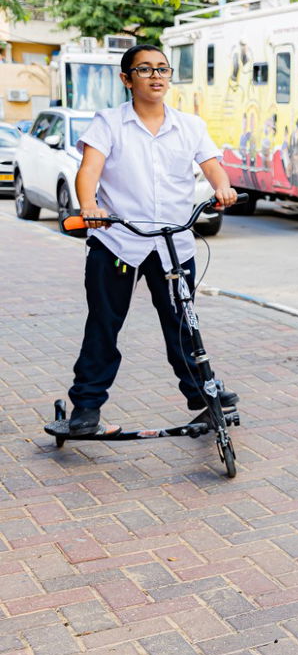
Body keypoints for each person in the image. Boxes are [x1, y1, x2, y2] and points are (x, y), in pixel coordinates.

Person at [65, 45, 239, 437]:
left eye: (162, 69)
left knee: (182, 324)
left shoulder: (189, 125)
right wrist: (90, 206)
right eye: (145, 70)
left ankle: (203, 397)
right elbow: (89, 169)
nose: (156, 76)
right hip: (117, 241)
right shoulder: (108, 123)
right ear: (127, 79)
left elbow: (214, 169)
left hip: (174, 243)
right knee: (104, 325)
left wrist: (223, 189)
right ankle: (86, 407)